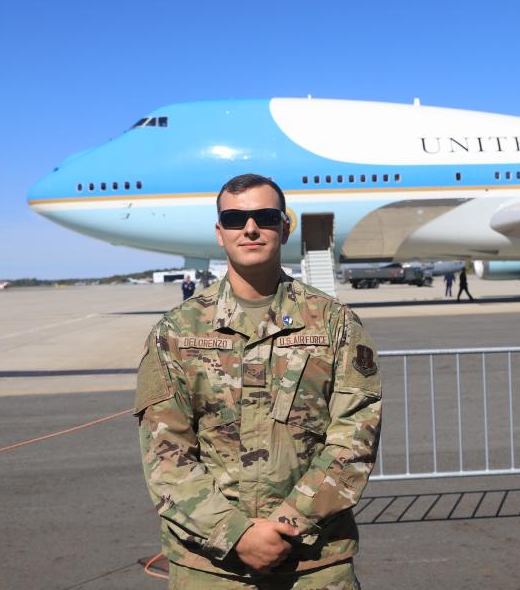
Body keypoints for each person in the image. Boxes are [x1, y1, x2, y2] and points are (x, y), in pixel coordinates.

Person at [134, 173, 381, 589]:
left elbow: (355, 438)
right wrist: (236, 534)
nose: (250, 228)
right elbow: (166, 453)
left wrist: (288, 524)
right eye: (234, 219)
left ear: (285, 227)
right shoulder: (175, 332)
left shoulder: (334, 323)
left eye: (265, 217)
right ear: (220, 232)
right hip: (210, 565)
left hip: (313, 562)